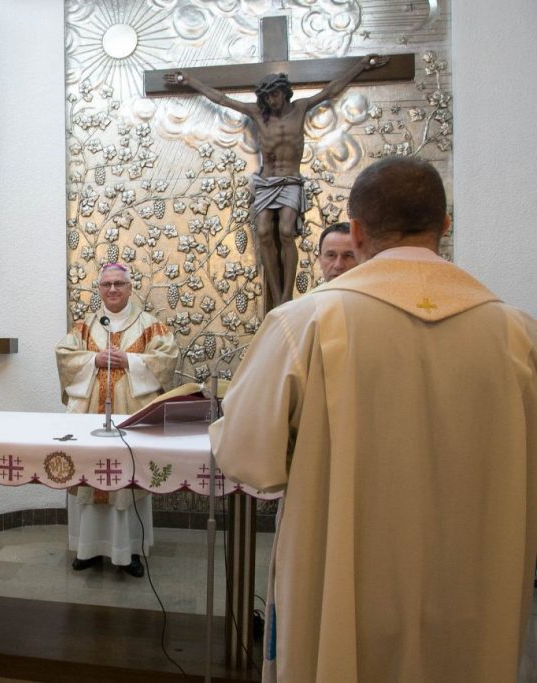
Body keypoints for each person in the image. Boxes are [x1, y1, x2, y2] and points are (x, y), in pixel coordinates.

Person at [209, 157, 537, 682]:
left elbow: (248, 458)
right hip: (471, 584)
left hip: (341, 582)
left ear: (357, 231)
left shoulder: (307, 322)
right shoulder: (516, 333)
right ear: (444, 225)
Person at [164, 54, 388, 311]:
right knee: (263, 232)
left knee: (285, 231)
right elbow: (222, 100)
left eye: (276, 95)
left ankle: (285, 295)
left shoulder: (300, 108)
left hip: (290, 180)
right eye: (268, 97)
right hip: (266, 182)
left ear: (284, 92)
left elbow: (331, 90)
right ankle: (274, 290)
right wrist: (189, 81)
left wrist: (360, 66)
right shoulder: (258, 114)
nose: (272, 100)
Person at [55, 263, 179, 577]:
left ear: (130, 288)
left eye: (119, 284)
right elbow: (64, 355)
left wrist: (131, 361)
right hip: (90, 419)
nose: (112, 289)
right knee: (89, 475)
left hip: (130, 417)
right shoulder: (85, 326)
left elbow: (167, 359)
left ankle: (130, 551)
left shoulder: (150, 325)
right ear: (99, 289)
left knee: (127, 480)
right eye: (107, 284)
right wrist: (93, 359)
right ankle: (87, 549)